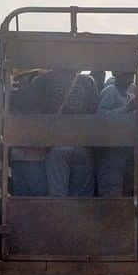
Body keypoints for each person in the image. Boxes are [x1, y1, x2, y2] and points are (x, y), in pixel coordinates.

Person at [42, 69, 98, 197]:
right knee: (82, 200)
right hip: (83, 145)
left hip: (57, 144)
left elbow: (41, 109)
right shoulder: (88, 82)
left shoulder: (48, 79)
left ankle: (60, 216)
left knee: (58, 197)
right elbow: (95, 112)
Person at [96, 70, 138, 197]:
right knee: (112, 192)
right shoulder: (110, 91)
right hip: (111, 153)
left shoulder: (131, 97)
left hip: (128, 153)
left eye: (131, 74)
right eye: (127, 73)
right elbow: (101, 118)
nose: (130, 78)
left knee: (126, 195)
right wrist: (127, 109)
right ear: (117, 74)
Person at [8, 69, 49, 196]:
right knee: (38, 197)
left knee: (21, 196)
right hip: (36, 157)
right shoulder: (39, 97)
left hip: (19, 156)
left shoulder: (12, 98)